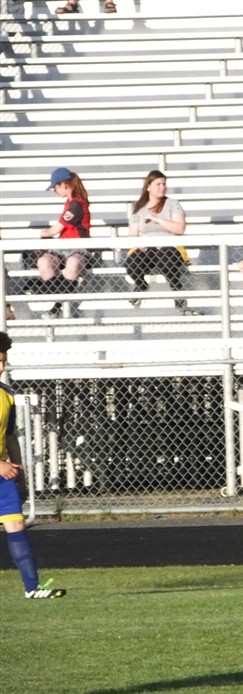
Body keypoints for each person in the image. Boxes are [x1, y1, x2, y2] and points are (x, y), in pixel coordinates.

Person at [0, 332, 66, 599]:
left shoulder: (6, 395)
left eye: (3, 361)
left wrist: (20, 474)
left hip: (3, 474)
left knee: (16, 525)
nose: (1, 367)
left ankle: (32, 588)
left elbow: (9, 437)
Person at [126, 170, 198, 316]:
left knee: (165, 257)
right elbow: (133, 234)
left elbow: (180, 228)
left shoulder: (172, 204)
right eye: (158, 184)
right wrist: (139, 243)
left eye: (164, 184)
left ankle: (179, 296)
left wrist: (157, 219)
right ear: (148, 187)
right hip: (148, 247)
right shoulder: (139, 208)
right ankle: (141, 285)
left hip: (170, 246)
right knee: (131, 262)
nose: (162, 187)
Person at [36, 167, 90, 319]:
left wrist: (44, 233)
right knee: (43, 262)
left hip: (78, 248)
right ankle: (58, 301)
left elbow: (56, 229)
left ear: (64, 184)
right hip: (62, 248)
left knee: (73, 264)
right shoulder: (70, 202)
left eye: (56, 187)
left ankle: (56, 307)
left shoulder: (77, 204)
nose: (55, 191)